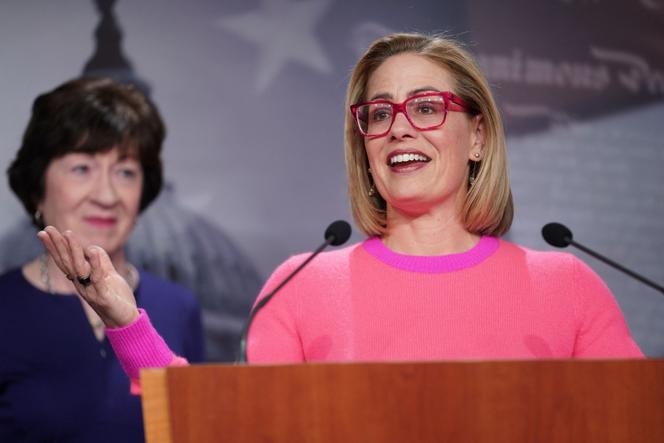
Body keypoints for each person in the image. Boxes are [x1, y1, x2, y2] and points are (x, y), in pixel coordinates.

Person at [36, 33, 642, 385]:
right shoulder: (299, 286)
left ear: (478, 135)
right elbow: (223, 428)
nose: (399, 129)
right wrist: (126, 322)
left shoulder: (568, 286)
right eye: (379, 114)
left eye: (426, 107)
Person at [0, 77, 205, 442]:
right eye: (82, 168)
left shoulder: (177, 306)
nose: (108, 195)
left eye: (126, 172)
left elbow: (196, 430)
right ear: (36, 189)